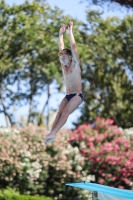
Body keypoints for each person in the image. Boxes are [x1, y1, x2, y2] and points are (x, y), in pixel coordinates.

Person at [44, 21, 83, 145]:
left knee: (65, 112)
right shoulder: (63, 66)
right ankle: (51, 133)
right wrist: (60, 34)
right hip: (67, 95)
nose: (62, 59)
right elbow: (61, 47)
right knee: (59, 113)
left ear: (71, 58)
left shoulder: (75, 65)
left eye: (64, 57)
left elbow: (73, 47)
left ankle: (53, 133)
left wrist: (70, 31)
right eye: (61, 58)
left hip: (77, 95)